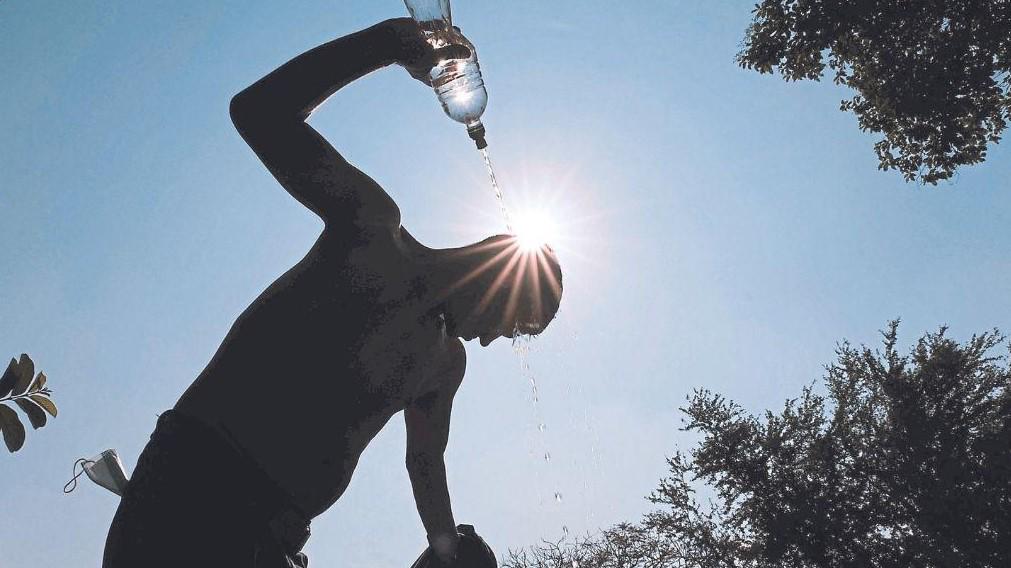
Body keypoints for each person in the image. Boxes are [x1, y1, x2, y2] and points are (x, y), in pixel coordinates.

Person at [101, 17, 562, 568]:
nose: (492, 341)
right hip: (192, 489)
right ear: (499, 277)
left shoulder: (444, 364)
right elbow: (259, 113)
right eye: (512, 325)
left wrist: (446, 550)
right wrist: (387, 44)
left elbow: (425, 462)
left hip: (273, 536)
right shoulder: (371, 232)